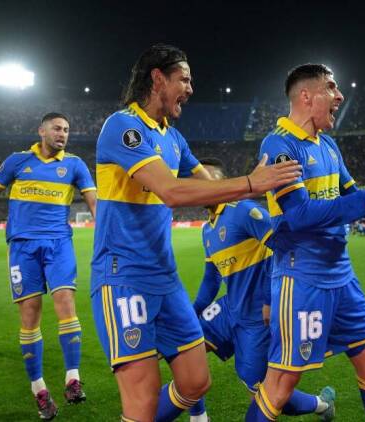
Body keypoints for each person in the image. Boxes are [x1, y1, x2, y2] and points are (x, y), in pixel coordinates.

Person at [90, 44, 301, 422]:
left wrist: (276, 195)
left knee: (195, 382)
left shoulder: (174, 138)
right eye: (183, 79)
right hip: (124, 278)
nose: (190, 88)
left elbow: (216, 195)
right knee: (140, 403)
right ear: (157, 78)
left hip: (165, 280)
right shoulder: (124, 127)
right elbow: (171, 192)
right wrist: (251, 182)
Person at [245, 64, 365, 422]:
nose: (340, 97)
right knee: (282, 383)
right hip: (302, 278)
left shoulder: (330, 146)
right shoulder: (279, 144)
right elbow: (299, 214)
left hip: (343, 277)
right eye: (331, 88)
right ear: (306, 96)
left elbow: (351, 203)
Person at [188, 158, 335, 422]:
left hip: (257, 316)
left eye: (203, 180)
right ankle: (199, 418)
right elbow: (211, 279)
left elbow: (284, 246)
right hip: (229, 308)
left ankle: (322, 405)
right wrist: (191, 312)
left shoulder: (243, 210)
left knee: (264, 391)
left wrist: (269, 299)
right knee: (186, 346)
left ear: (221, 182)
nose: (197, 186)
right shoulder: (208, 229)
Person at [0, 112, 97, 420]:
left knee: (66, 302)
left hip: (59, 244)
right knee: (30, 315)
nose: (63, 134)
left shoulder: (74, 165)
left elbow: (94, 200)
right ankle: (39, 390)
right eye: (57, 128)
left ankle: (73, 379)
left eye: (67, 130)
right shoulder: (18, 161)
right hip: (22, 248)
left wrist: (104, 228)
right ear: (42, 130)